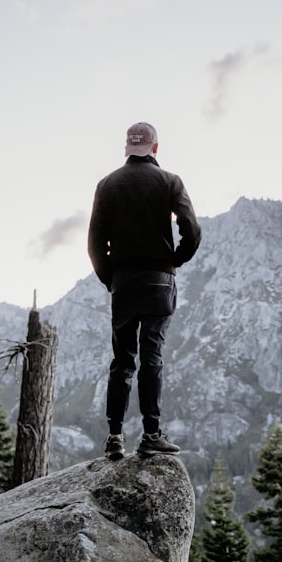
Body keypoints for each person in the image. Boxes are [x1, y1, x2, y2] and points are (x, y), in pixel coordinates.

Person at [88, 121, 201, 460]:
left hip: (123, 282)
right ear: (155, 148)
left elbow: (94, 243)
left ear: (127, 148)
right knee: (152, 355)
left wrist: (111, 278)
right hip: (158, 282)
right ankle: (152, 433)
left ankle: (114, 437)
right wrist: (174, 261)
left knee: (122, 360)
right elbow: (191, 230)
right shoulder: (170, 181)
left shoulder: (107, 184)